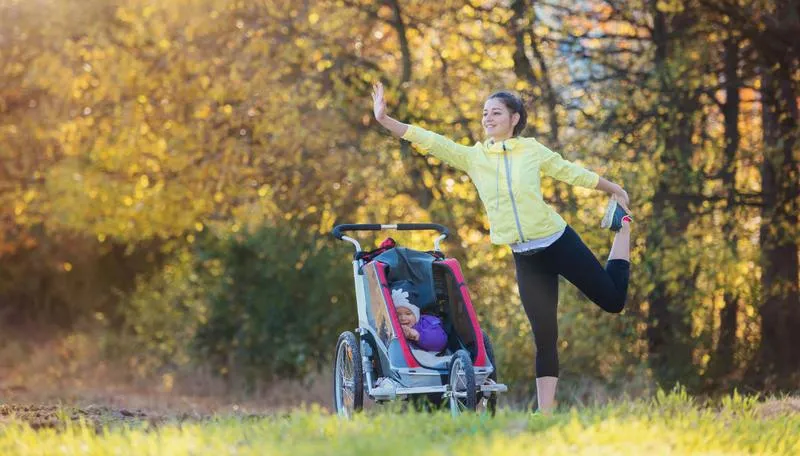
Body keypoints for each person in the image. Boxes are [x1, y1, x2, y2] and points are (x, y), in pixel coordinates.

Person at [371, 82, 632, 413]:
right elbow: (430, 140)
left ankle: (623, 230)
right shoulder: (475, 158)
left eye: (495, 112)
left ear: (514, 118)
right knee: (545, 337)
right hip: (525, 256)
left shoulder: (532, 150)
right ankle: (545, 414)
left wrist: (614, 189)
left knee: (612, 301)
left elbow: (570, 173)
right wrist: (385, 120)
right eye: (484, 113)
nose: (487, 118)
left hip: (558, 241)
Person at [391, 288, 447, 353]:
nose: (403, 318)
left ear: (416, 314)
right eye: (398, 315)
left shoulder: (427, 322)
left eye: (408, 314)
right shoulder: (392, 327)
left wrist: (418, 336)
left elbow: (440, 341)